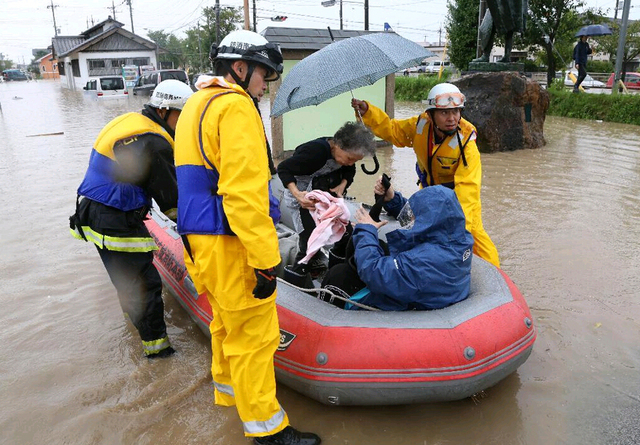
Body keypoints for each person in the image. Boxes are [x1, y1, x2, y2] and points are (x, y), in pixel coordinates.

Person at [173, 30, 321, 445]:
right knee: (255, 337)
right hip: (231, 240)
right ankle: (267, 430)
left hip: (200, 240)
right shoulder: (235, 108)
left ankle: (232, 399)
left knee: (226, 325)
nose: (266, 84)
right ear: (240, 68)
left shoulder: (196, 104)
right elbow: (241, 194)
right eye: (264, 75)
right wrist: (264, 258)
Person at [69, 79, 194, 358]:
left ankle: (136, 331)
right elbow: (173, 205)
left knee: (126, 281)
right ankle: (159, 355)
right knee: (146, 284)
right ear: (163, 111)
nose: (184, 125)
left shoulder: (132, 121)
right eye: (181, 116)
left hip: (92, 212)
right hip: (116, 220)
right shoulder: (156, 142)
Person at [351, 83, 500, 268]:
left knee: (481, 246)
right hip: (429, 196)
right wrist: (367, 113)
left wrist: (458, 229)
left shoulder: (467, 142)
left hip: (458, 202)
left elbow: (467, 191)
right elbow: (393, 130)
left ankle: (498, 278)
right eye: (445, 113)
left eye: (456, 111)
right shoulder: (420, 125)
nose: (452, 118)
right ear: (430, 114)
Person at [322, 183, 473, 311]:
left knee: (338, 275)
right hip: (426, 290)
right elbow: (423, 217)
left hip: (407, 306)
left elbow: (373, 271)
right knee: (378, 245)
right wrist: (393, 200)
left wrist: (367, 229)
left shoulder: (421, 261)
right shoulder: (462, 238)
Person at [277, 121, 375, 280]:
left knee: (346, 232)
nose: (350, 163)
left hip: (324, 199)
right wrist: (297, 195)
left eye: (354, 160)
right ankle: (296, 277)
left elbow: (350, 170)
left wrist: (342, 186)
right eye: (349, 158)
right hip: (302, 200)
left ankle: (336, 273)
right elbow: (283, 168)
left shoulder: (345, 156)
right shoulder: (316, 152)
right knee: (309, 240)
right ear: (338, 145)